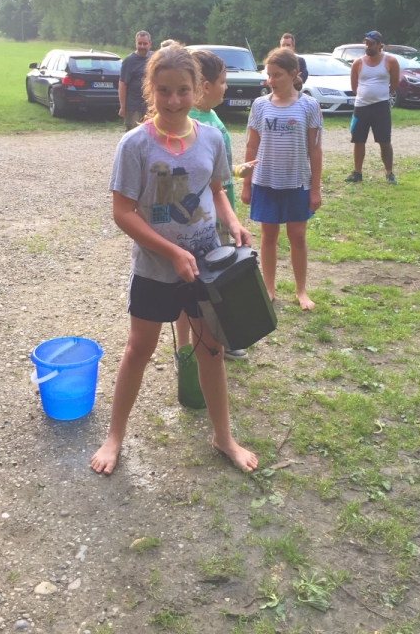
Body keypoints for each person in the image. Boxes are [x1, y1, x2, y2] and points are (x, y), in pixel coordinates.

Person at [90, 45, 258, 476]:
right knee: (138, 350)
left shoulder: (212, 138)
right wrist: (172, 251)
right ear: (150, 89)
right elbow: (123, 212)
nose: (173, 100)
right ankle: (114, 437)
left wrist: (233, 223)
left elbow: (217, 191)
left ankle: (223, 437)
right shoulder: (135, 145)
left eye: (183, 90)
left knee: (211, 349)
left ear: (198, 89)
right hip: (155, 270)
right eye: (163, 90)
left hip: (206, 268)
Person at [175, 49, 247, 360]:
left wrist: (236, 171)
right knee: (195, 284)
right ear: (205, 86)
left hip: (222, 214)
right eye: (223, 82)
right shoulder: (191, 123)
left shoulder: (213, 118)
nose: (226, 87)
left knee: (218, 281)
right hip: (201, 219)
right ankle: (186, 347)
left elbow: (214, 174)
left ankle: (221, 336)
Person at [242, 48, 322, 310]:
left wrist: (315, 189)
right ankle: (268, 288)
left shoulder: (309, 105)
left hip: (297, 182)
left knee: (297, 236)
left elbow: (315, 150)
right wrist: (246, 183)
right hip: (265, 181)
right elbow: (252, 146)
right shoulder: (260, 105)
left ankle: (301, 291)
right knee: (268, 235)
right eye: (269, 75)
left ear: (293, 74)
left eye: (277, 75)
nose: (271, 81)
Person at [345, 31, 400, 185]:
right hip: (361, 107)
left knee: (385, 141)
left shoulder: (390, 61)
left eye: (371, 44)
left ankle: (389, 173)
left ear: (379, 45)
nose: (367, 46)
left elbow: (394, 84)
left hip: (381, 107)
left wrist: (380, 94)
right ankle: (357, 172)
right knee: (358, 140)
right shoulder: (358, 63)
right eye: (366, 43)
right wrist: (365, 95)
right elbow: (354, 86)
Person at [118, 31, 153, 131]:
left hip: (150, 106)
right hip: (134, 107)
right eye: (139, 43)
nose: (142, 46)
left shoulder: (153, 58)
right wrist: (123, 107)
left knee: (150, 134)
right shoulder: (129, 61)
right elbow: (122, 84)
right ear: (136, 43)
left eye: (145, 44)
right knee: (134, 133)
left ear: (150, 44)